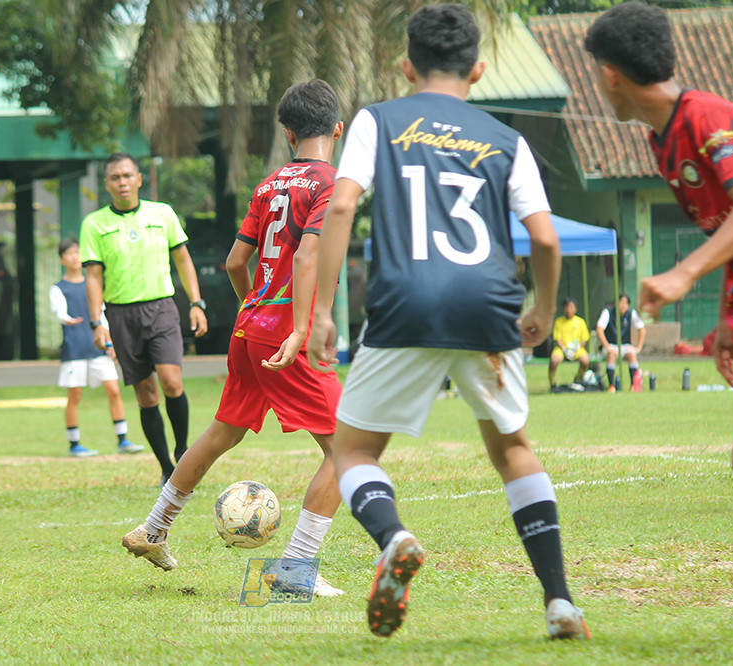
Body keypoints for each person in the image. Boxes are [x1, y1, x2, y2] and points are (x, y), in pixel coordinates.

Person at [307, 4, 588, 639]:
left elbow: (344, 203)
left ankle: (394, 537)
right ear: (480, 70)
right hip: (489, 306)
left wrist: (323, 309)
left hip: (406, 303)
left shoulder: (379, 120)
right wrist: (541, 309)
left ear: (405, 66)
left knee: (354, 450)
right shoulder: (506, 139)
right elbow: (545, 240)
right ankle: (560, 603)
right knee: (513, 448)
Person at [121, 79, 346, 597]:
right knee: (348, 450)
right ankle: (293, 570)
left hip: (250, 330)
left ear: (288, 133)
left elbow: (234, 262)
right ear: (337, 128)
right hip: (288, 337)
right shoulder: (332, 183)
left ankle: (153, 528)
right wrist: (298, 328)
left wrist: (255, 310)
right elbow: (309, 257)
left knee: (223, 431)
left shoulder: (268, 185)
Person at [586, 2, 733, 530]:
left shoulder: (709, 118)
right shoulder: (664, 142)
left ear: (610, 75)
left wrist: (683, 273)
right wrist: (725, 315)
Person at [80, 153, 209, 486]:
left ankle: (182, 452)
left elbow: (183, 260)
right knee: (146, 394)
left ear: (139, 178)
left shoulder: (162, 213)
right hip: (122, 315)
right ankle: (166, 467)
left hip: (162, 308)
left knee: (171, 382)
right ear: (106, 184)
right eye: (114, 178)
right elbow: (93, 277)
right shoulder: (94, 224)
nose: (122, 182)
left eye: (127, 175)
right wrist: (97, 322)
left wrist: (196, 302)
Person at [50, 238, 142, 457]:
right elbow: (59, 311)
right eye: (70, 253)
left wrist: (110, 342)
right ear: (62, 259)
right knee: (75, 395)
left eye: (77, 253)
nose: (75, 257)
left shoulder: (93, 285)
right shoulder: (58, 288)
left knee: (113, 390)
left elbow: (102, 316)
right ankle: (74, 444)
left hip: (98, 347)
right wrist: (66, 318)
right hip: (74, 350)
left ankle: (123, 440)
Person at [595, 293, 646, 391]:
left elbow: (642, 329)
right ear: (615, 303)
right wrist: (606, 346)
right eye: (620, 302)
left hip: (624, 346)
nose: (622, 305)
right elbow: (599, 329)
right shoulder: (608, 312)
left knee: (632, 354)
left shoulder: (631, 313)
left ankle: (633, 385)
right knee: (612, 354)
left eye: (625, 303)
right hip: (611, 345)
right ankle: (611, 385)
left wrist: (638, 347)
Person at [549, 297, 591, 389]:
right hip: (562, 349)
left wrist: (576, 348)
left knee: (585, 361)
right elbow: (557, 338)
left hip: (576, 349)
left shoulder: (580, 322)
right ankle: (552, 383)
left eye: (571, 307)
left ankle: (578, 379)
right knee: (554, 361)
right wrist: (564, 349)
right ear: (563, 309)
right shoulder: (559, 322)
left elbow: (584, 339)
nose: (569, 310)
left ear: (575, 309)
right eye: (567, 307)